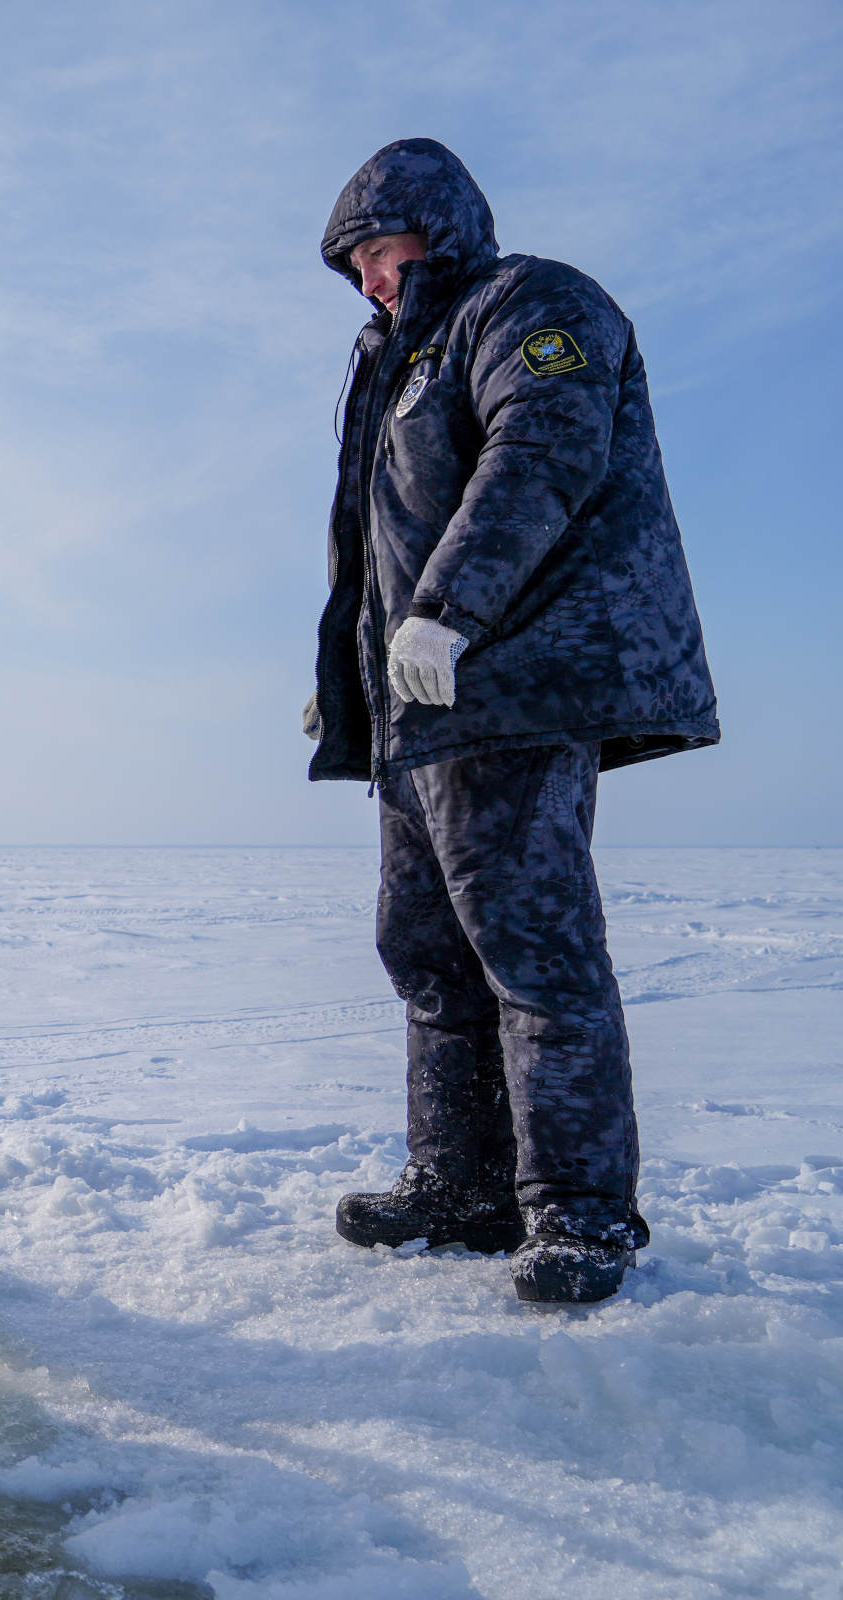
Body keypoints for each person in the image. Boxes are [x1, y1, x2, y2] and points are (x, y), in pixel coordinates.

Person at [306, 141, 719, 1304]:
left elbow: (542, 454)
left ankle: (583, 1215)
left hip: (515, 679)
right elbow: (378, 546)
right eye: (356, 269)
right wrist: (352, 674)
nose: (372, 279)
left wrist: (446, 611)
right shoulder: (401, 354)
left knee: (536, 957)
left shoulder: (532, 303)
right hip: (419, 707)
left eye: (379, 251)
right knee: (429, 958)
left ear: (434, 226)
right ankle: (462, 1187)